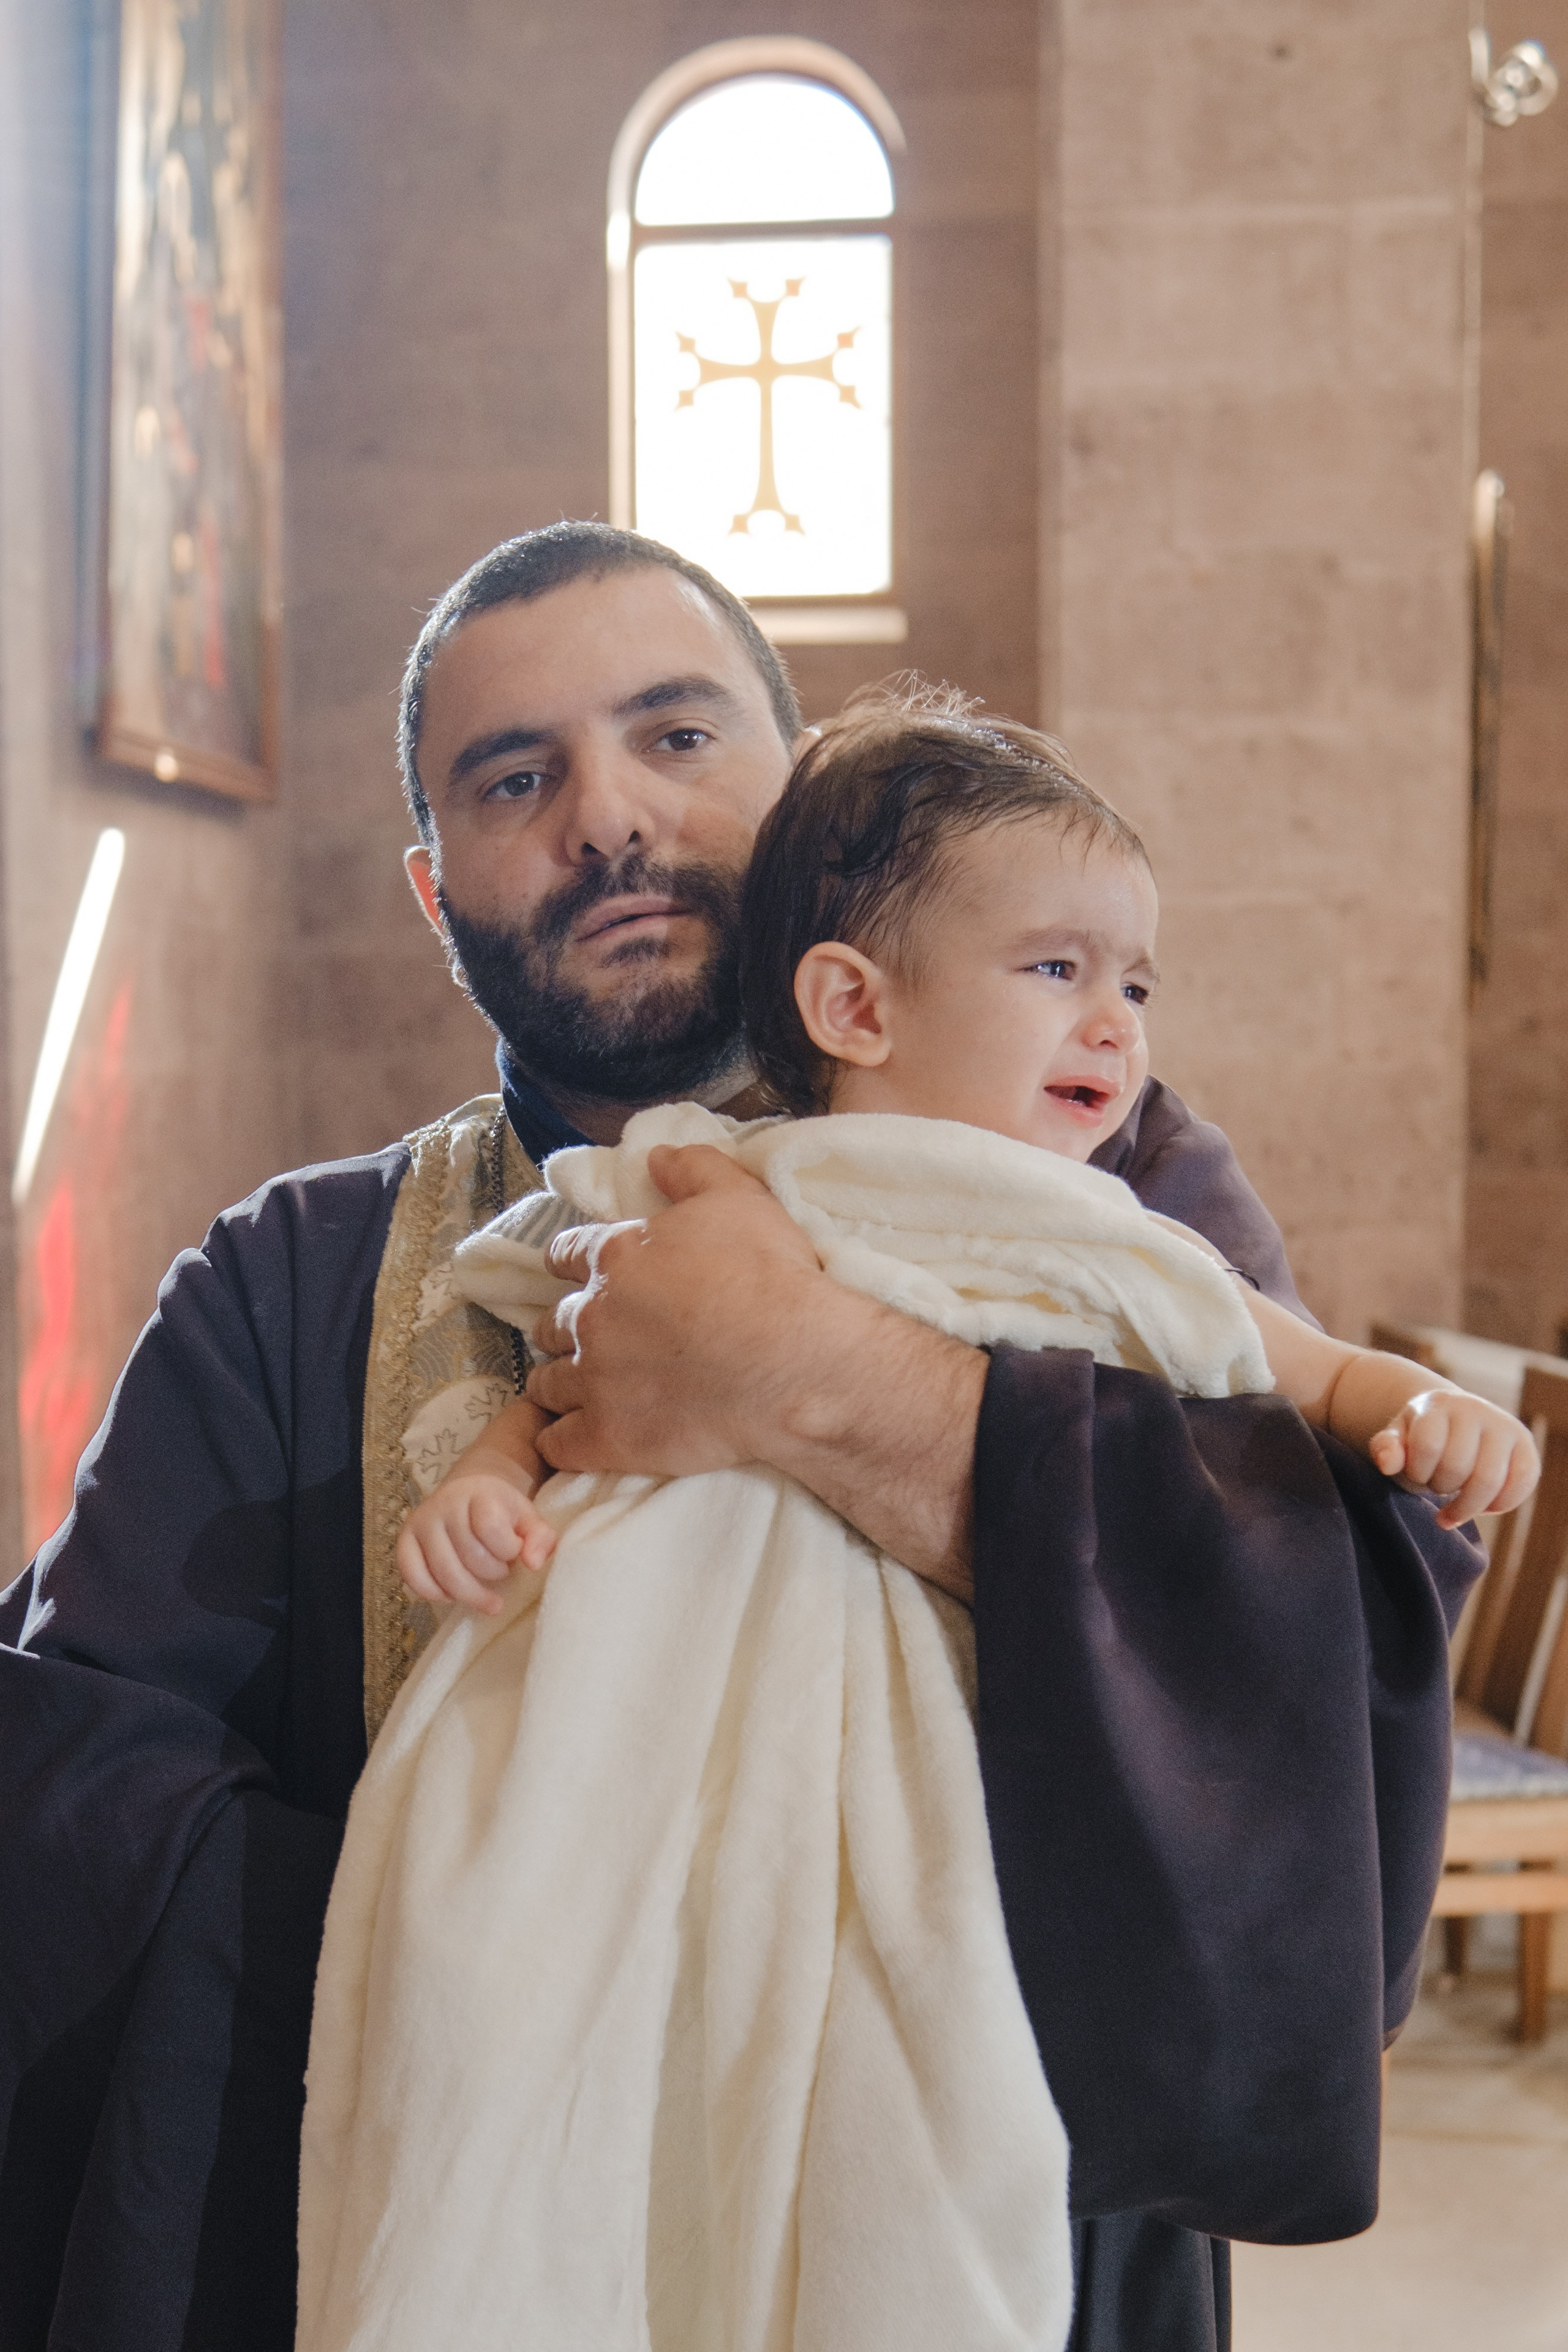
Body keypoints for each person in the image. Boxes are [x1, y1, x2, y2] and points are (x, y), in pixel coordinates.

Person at [0, 524, 1482, 2352]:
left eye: (679, 737)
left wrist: (819, 1380)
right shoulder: (284, 1284)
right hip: (470, 2191)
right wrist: (525, 1940)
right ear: (431, 881)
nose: (608, 816)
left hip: (981, 2229)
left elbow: (1317, 1655)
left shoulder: (1117, 1185)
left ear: (802, 798)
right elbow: (76, 1801)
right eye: (516, 776)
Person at [402, 693, 1535, 1613]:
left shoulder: (1101, 1220)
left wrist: (1432, 1409)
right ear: (854, 1007)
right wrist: (492, 1478)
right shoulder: (733, 1177)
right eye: (1058, 971)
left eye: (1134, 984)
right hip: (673, 1648)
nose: (1118, 1022)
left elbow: (1322, 1375)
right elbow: (591, 1362)